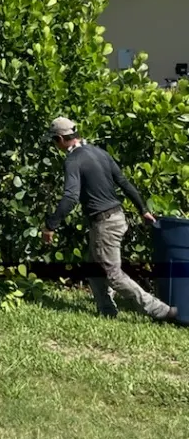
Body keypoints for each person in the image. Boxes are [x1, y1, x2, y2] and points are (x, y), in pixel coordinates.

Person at [42, 117, 176, 322]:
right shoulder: (99, 153)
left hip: (104, 223)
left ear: (60, 138)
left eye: (54, 141)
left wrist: (51, 225)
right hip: (117, 217)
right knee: (94, 267)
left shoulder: (73, 160)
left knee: (113, 275)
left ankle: (160, 310)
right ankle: (106, 311)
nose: (55, 145)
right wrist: (142, 209)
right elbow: (123, 181)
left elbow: (70, 197)